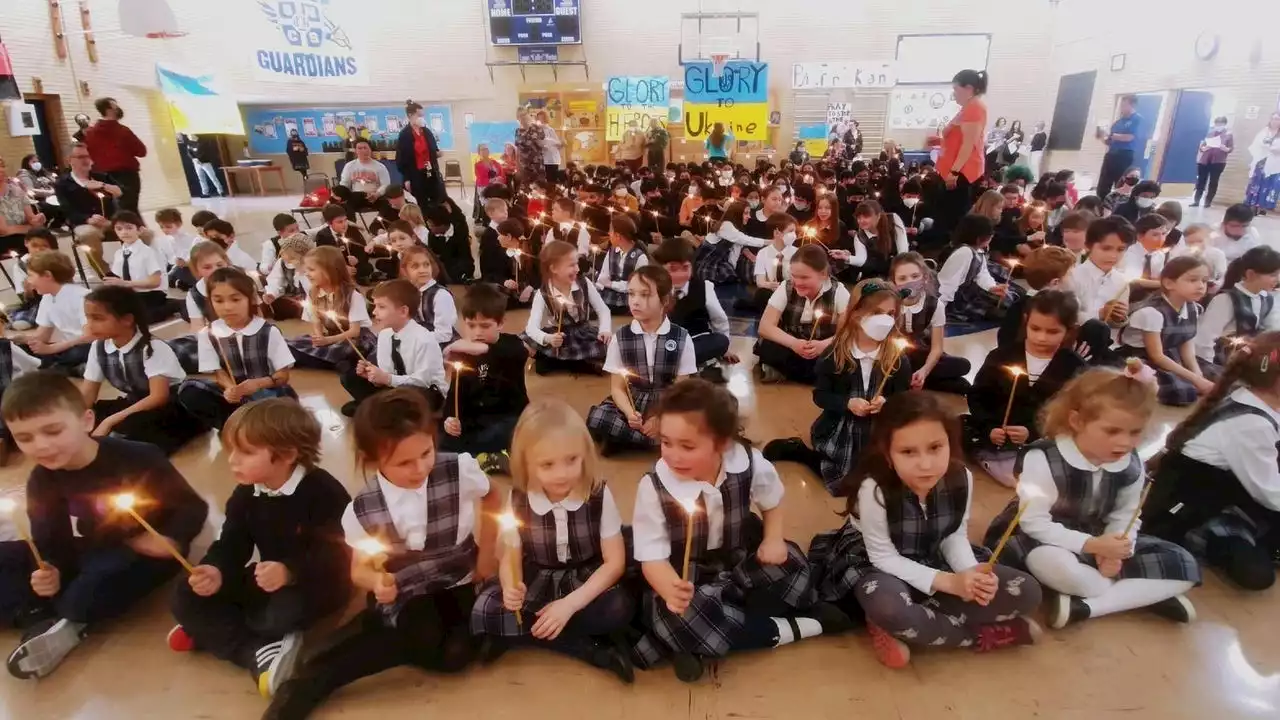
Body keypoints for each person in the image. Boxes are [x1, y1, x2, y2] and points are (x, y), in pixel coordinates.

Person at [263, 389, 501, 718]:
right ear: (373, 459)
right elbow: (358, 570)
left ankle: (369, 630)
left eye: (426, 453)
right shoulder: (363, 507)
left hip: (458, 575)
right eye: (404, 462)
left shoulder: (459, 468)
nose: (420, 468)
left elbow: (493, 497)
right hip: (405, 586)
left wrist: (488, 555)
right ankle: (312, 680)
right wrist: (376, 582)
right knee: (423, 635)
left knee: (455, 657)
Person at [630, 378, 848, 682]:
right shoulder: (653, 486)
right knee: (681, 614)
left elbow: (772, 502)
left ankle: (704, 637)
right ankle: (794, 626)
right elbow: (651, 557)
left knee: (795, 564)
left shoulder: (747, 462)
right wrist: (670, 589)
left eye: (687, 446)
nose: (673, 455)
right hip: (685, 570)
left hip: (740, 553)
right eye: (666, 442)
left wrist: (772, 539)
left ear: (722, 443)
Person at [809, 392, 1041, 669]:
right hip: (880, 563)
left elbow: (954, 535)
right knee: (889, 608)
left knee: (1028, 592)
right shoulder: (873, 490)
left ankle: (913, 624)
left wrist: (968, 572)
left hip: (934, 551)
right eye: (908, 452)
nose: (926, 464)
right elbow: (883, 557)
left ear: (949, 443)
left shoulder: (961, 477)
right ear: (888, 453)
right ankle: (979, 634)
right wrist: (950, 584)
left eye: (935, 448)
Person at [0, 372, 208, 679]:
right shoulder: (41, 479)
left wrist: (173, 539)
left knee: (97, 578)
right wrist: (51, 569)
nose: (40, 446)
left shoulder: (138, 457)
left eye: (53, 431)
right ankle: (41, 612)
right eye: (25, 438)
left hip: (145, 548)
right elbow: (50, 541)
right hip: (87, 548)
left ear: (86, 421)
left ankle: (60, 617)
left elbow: (192, 507)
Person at [986, 367, 1200, 629]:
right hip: (1043, 538)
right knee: (1051, 563)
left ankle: (1086, 607)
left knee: (1183, 563)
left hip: (1100, 536)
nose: (1125, 443)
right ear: (1077, 421)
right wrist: (1093, 547)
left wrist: (1119, 547)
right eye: (1112, 431)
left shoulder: (1130, 464)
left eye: (1135, 432)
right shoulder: (1043, 458)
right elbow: (1035, 523)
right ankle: (1136, 595)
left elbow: (1127, 514)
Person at [168, 398, 351, 697]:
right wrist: (215, 569)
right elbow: (232, 543)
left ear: (288, 454)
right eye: (231, 451)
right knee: (184, 594)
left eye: (246, 452)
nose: (232, 461)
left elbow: (340, 553)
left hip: (315, 583)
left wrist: (290, 571)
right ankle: (254, 649)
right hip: (266, 577)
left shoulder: (323, 492)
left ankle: (219, 632)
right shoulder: (244, 494)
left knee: (278, 615)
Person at [470, 400, 634, 679]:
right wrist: (511, 585)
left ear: (585, 453)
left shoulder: (597, 495)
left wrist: (570, 604)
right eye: (547, 464)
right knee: (485, 609)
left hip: (584, 576)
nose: (562, 473)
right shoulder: (519, 499)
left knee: (620, 607)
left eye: (572, 460)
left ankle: (520, 636)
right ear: (526, 464)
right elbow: (510, 554)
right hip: (538, 577)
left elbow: (614, 562)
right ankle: (584, 647)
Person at [1146, 331, 1280, 591]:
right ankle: (1217, 539)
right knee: (1258, 576)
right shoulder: (1252, 423)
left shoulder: (1255, 399)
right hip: (1191, 513)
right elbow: (1271, 495)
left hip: (1230, 493)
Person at [763, 279, 912, 495]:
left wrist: (888, 403)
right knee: (845, 483)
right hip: (841, 425)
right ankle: (802, 452)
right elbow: (821, 396)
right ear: (856, 313)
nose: (886, 320)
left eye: (891, 314)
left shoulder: (898, 359)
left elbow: (904, 397)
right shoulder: (834, 354)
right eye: (877, 312)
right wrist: (847, 403)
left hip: (882, 428)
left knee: (886, 480)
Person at [969, 290, 1088, 485]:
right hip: (998, 429)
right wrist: (990, 428)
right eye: (1035, 328)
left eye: (1052, 332)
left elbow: (1071, 413)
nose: (1041, 337)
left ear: (1069, 330)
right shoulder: (1001, 356)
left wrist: (1032, 433)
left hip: (1043, 435)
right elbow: (978, 396)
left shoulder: (1074, 367)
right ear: (1026, 322)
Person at [79, 285, 204, 453]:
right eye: (88, 318)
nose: (89, 325)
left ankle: (123, 446)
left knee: (137, 425)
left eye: (98, 319)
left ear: (127, 319)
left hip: (169, 407)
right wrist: (75, 420)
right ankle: (117, 441)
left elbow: (158, 397)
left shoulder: (151, 347)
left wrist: (109, 421)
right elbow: (88, 394)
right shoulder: (98, 347)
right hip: (135, 403)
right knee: (90, 414)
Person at [586, 266, 696, 456]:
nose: (635, 301)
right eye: (631, 294)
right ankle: (656, 441)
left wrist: (660, 416)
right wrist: (630, 414)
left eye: (645, 295)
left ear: (664, 300)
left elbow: (681, 387)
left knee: (696, 417)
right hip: (633, 398)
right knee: (597, 417)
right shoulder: (621, 337)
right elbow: (617, 388)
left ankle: (626, 439)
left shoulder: (682, 337)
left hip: (668, 400)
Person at [176, 267, 298, 430]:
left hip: (268, 394)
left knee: (283, 410)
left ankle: (253, 425)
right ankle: (233, 426)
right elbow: (219, 373)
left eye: (235, 299)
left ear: (249, 299)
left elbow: (283, 375)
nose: (227, 307)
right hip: (235, 400)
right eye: (218, 300)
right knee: (189, 390)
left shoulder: (267, 331)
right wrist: (230, 388)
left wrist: (258, 384)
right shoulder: (208, 334)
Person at [441, 283, 530, 457]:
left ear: (500, 323)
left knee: (513, 430)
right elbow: (455, 393)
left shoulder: (511, 344)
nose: (477, 332)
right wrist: (450, 418)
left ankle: (483, 453)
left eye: (485, 326)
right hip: (475, 419)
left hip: (506, 415)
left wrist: (485, 349)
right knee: (439, 435)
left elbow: (520, 353)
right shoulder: (464, 352)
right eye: (471, 326)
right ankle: (489, 454)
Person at [338, 279, 445, 418]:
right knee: (349, 377)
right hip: (396, 388)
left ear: (403, 311)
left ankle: (378, 407)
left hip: (426, 391)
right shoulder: (385, 335)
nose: (375, 312)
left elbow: (423, 381)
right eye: (375, 306)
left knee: (415, 395)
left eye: (381, 307)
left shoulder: (424, 339)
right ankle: (381, 407)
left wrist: (388, 379)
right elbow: (387, 372)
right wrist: (372, 375)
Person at [1118, 256, 1212, 406]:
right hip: (1143, 359)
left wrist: (1197, 374)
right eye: (1193, 280)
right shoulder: (1151, 313)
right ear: (1169, 283)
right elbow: (1157, 356)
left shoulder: (1193, 308)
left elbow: (1186, 344)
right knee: (1181, 392)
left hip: (1171, 355)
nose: (1201, 286)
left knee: (1218, 377)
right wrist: (1195, 380)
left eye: (1205, 281)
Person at [754, 244, 848, 384]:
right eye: (794, 276)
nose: (797, 282)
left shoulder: (839, 292)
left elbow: (846, 333)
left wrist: (823, 345)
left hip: (822, 347)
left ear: (823, 274)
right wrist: (794, 344)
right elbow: (765, 327)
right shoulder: (786, 287)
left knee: (839, 358)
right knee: (768, 346)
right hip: (792, 345)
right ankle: (813, 375)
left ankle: (785, 371)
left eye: (804, 277)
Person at [523, 240, 611, 376]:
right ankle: (579, 363)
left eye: (576, 263)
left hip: (582, 333)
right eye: (571, 265)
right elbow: (531, 328)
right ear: (554, 269)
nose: (577, 268)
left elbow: (603, 309)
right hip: (558, 335)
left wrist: (605, 329)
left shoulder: (583, 283)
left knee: (612, 345)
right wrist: (548, 338)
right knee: (523, 343)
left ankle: (558, 362)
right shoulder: (543, 293)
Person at [891, 252, 972, 395]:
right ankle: (914, 379)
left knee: (963, 366)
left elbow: (936, 348)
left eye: (915, 276)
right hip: (893, 356)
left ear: (925, 278)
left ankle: (917, 379)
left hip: (921, 352)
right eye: (902, 278)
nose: (909, 282)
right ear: (894, 283)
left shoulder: (935, 305)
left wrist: (924, 371)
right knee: (958, 384)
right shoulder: (889, 303)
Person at [286, 246, 376, 371]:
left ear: (330, 270)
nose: (307, 273)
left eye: (311, 270)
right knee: (292, 342)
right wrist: (319, 338)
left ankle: (333, 362)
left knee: (347, 349)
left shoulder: (352, 295)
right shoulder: (314, 293)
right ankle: (336, 363)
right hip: (332, 337)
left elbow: (355, 331)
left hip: (355, 339)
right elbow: (316, 321)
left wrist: (328, 340)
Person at [1193, 245, 1280, 373]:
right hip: (1221, 363)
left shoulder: (1267, 299)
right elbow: (1204, 341)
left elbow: (1272, 331)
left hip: (1249, 361)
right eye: (1273, 275)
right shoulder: (1226, 299)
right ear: (1251, 274)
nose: (1277, 280)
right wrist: (1210, 370)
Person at [653, 238, 733, 370]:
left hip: (697, 341)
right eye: (673, 269)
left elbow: (719, 320)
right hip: (665, 342)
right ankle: (689, 364)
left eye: (685, 268)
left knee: (721, 341)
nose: (680, 274)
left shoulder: (704, 287)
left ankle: (676, 363)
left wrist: (725, 350)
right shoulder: (655, 289)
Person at [53, 142, 121, 271]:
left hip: (110, 220)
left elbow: (120, 192)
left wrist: (102, 185)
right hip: (85, 223)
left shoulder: (101, 176)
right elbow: (67, 210)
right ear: (69, 160)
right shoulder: (63, 184)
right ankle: (104, 272)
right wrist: (88, 219)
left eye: (87, 156)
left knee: (143, 233)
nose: (86, 160)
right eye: (80, 157)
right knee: (89, 235)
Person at [23, 251, 93, 370]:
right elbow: (42, 335)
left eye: (31, 275)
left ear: (47, 275)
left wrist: (53, 348)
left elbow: (91, 336)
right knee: (21, 350)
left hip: (85, 346)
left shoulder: (82, 297)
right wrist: (18, 341)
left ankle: (76, 367)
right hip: (67, 347)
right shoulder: (47, 297)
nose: (29, 281)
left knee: (76, 353)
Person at [937, 70, 990, 229]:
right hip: (954, 169)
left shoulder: (975, 108)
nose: (954, 94)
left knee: (954, 218)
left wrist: (954, 172)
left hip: (963, 172)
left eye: (956, 89)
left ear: (968, 88)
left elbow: (969, 144)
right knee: (948, 215)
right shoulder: (967, 108)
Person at [105, 211, 177, 324]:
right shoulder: (119, 253)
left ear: (140, 230)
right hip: (131, 295)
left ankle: (173, 305)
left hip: (150, 294)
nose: (124, 232)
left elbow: (155, 282)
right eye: (119, 229)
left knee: (139, 319)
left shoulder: (148, 252)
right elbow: (118, 277)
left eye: (129, 228)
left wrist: (126, 283)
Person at [938, 214, 1009, 323]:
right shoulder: (963, 253)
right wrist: (938, 310)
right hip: (958, 302)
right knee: (1001, 315)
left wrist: (992, 287)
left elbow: (982, 274)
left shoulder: (978, 251)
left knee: (1010, 301)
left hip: (970, 294)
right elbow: (947, 284)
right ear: (979, 238)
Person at [82, 97, 146, 212]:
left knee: (112, 210)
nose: (118, 109)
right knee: (129, 209)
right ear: (109, 109)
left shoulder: (90, 133)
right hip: (126, 176)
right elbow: (141, 151)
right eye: (115, 106)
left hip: (101, 176)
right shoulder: (123, 131)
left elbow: (88, 153)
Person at [399, 242, 458, 344]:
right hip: (417, 341)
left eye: (426, 265)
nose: (422, 270)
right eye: (415, 266)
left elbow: (444, 335)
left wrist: (412, 339)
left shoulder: (440, 295)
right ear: (405, 271)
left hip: (441, 345)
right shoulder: (408, 293)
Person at [596, 214, 649, 314]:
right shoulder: (611, 251)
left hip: (629, 303)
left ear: (618, 236)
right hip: (608, 298)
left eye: (610, 231)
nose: (608, 233)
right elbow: (603, 278)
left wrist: (612, 284)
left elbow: (637, 286)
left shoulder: (640, 257)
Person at [396, 100, 443, 206]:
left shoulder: (426, 132)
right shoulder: (405, 135)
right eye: (419, 115)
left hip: (430, 170)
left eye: (422, 115)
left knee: (437, 199)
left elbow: (434, 150)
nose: (421, 118)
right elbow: (401, 160)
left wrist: (437, 153)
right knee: (421, 202)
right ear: (410, 115)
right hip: (415, 174)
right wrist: (407, 178)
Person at [1096, 95, 1144, 199]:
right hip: (1111, 154)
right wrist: (1102, 137)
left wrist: (1110, 135)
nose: (1121, 108)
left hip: (1124, 155)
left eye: (1124, 105)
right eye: (1121, 105)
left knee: (1121, 182)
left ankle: (1118, 205)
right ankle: (1101, 203)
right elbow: (1109, 141)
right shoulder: (1118, 122)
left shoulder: (1137, 119)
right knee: (1103, 184)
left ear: (1132, 105)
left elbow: (1129, 137)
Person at [0, 156, 46, 254]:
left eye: (2, 165)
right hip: (5, 239)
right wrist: (30, 228)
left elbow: (31, 218)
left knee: (45, 236)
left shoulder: (16, 190)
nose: (1, 169)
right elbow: (4, 230)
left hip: (22, 233)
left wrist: (37, 220)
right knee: (28, 243)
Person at [184, 241, 231, 330]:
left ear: (226, 262)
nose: (215, 270)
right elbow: (197, 326)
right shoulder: (195, 294)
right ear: (197, 270)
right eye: (207, 267)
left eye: (219, 265)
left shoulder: (240, 281)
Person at [1190, 116, 1234, 208]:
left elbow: (1230, 148)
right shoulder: (1210, 133)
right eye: (1217, 124)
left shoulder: (1228, 135)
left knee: (1213, 182)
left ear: (1225, 124)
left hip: (1218, 162)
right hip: (1204, 160)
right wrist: (1204, 148)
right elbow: (1202, 146)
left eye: (1221, 124)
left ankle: (1208, 202)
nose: (1218, 126)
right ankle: (1196, 201)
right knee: (1201, 181)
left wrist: (1225, 148)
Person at [339, 139, 390, 214]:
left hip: (376, 196)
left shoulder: (380, 167)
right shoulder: (349, 166)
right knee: (346, 204)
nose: (363, 150)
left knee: (388, 205)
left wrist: (377, 194)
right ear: (356, 151)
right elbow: (344, 184)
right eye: (359, 148)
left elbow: (386, 184)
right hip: (356, 196)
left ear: (370, 150)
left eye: (365, 148)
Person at [1245, 112, 1280, 215]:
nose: (1275, 121)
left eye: (1277, 119)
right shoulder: (1264, 132)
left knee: (1268, 184)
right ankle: (1252, 205)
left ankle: (1262, 207)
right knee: (1256, 183)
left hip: (1275, 163)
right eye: (1273, 118)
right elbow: (1256, 144)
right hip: (1261, 161)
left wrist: (1274, 149)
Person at [473, 143, 505, 222]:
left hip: (496, 186)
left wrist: (500, 179)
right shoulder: (478, 165)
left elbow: (501, 174)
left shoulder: (495, 162)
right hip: (484, 187)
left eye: (486, 149)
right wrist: (491, 181)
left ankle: (500, 218)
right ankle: (488, 220)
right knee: (488, 203)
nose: (485, 151)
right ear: (479, 152)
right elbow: (480, 179)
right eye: (482, 149)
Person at [515, 107, 546, 187]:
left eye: (524, 114)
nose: (522, 117)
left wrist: (534, 138)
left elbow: (542, 144)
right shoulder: (518, 131)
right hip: (524, 165)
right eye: (520, 116)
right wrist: (518, 164)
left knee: (539, 187)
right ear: (517, 118)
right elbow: (518, 148)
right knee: (525, 188)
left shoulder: (536, 128)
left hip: (536, 164)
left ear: (528, 115)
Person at [186, 134, 223, 198]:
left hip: (205, 163)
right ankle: (205, 193)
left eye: (189, 135)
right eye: (188, 136)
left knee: (212, 177)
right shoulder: (189, 143)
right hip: (196, 164)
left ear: (194, 135)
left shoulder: (202, 142)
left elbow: (205, 152)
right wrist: (194, 159)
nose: (188, 137)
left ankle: (220, 191)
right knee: (201, 178)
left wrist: (199, 159)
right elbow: (189, 152)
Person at [536, 110, 564, 184]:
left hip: (553, 159)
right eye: (539, 118)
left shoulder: (550, 130)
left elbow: (558, 144)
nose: (541, 120)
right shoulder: (536, 131)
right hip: (542, 160)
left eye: (542, 118)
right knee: (544, 181)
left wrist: (562, 144)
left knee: (553, 180)